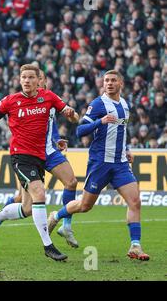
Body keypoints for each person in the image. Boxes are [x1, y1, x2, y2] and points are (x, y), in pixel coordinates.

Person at [0, 64, 78, 261]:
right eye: (24, 77)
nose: (27, 81)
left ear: (39, 80)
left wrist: (72, 115)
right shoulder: (10, 101)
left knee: (28, 208)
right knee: (40, 194)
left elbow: (69, 114)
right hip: (20, 156)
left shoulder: (48, 97)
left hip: (41, 156)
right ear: (19, 80)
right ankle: (48, 246)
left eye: (31, 77)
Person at [47, 70, 150, 261]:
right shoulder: (98, 104)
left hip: (119, 164)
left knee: (135, 201)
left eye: (113, 80)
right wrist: (99, 121)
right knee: (85, 206)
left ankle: (135, 245)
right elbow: (80, 130)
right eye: (106, 81)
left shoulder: (125, 105)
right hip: (100, 163)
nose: (109, 83)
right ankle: (56, 215)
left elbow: (121, 130)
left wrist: (126, 149)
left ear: (121, 83)